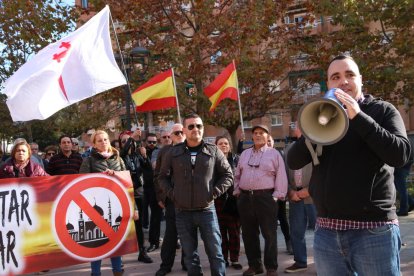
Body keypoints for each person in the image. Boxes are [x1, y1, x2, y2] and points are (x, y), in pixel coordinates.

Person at [287, 54, 411, 275]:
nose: (343, 81)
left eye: (349, 75)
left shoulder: (382, 110)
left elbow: (400, 154)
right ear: (328, 84)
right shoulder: (322, 116)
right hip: (327, 233)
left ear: (361, 80)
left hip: (373, 231)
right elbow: (294, 160)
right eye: (335, 77)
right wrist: (314, 128)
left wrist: (358, 116)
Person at [158, 113, 233, 276]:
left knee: (215, 253)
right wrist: (173, 194)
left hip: (207, 210)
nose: (195, 129)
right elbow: (162, 177)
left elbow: (228, 175)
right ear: (184, 130)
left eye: (198, 126)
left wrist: (213, 193)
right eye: (191, 126)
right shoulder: (174, 152)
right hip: (182, 212)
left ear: (203, 128)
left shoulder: (213, 150)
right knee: (190, 257)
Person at [234, 124, 288, 276]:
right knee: (249, 234)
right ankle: (255, 266)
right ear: (252, 136)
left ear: (267, 136)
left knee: (269, 234)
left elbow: (281, 176)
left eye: (261, 133)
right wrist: (237, 191)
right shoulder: (244, 154)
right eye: (255, 133)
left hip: (266, 198)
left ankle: (271, 268)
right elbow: (237, 174)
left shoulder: (274, 154)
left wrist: (276, 196)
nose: (258, 135)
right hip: (245, 198)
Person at [79, 130, 127, 276]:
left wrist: (117, 175)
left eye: (105, 139)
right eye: (99, 140)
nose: (103, 142)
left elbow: (127, 184)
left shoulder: (118, 159)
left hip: (116, 206)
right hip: (96, 209)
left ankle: (118, 271)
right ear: (94, 144)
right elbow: (81, 183)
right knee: (97, 243)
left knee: (116, 242)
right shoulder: (88, 160)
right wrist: (100, 177)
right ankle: (95, 273)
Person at [155, 123, 188, 276]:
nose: (179, 134)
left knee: (188, 234)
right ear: (172, 136)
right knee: (170, 235)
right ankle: (165, 265)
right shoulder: (165, 152)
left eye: (182, 132)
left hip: (190, 200)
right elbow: (158, 176)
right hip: (171, 200)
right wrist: (161, 196)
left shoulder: (192, 149)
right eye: (176, 133)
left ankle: (187, 263)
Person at [284, 124, 316, 273]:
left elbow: (323, 172)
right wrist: (290, 192)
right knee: (296, 232)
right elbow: (283, 174)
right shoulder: (289, 149)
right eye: (297, 126)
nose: (300, 129)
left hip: (314, 197)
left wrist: (308, 191)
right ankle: (300, 261)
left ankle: (324, 263)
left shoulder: (318, 146)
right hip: (295, 197)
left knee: (323, 232)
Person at [118, 129, 153, 264]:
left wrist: (144, 156)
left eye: (129, 141)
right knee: (124, 225)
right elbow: (124, 150)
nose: (127, 143)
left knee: (138, 225)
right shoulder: (120, 156)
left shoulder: (136, 156)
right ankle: (119, 254)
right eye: (124, 141)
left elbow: (148, 168)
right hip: (125, 194)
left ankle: (142, 252)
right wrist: (132, 137)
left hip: (138, 193)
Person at [214, 136, 242, 270]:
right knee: (220, 233)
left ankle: (235, 259)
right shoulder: (211, 161)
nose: (224, 145)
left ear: (230, 146)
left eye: (226, 143)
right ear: (215, 146)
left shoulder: (237, 160)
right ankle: (223, 258)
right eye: (220, 144)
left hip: (233, 200)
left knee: (235, 232)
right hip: (217, 200)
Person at [267, 136, 293, 256]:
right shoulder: (259, 155)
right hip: (265, 194)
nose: (268, 142)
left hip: (278, 192)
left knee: (282, 218)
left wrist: (284, 191)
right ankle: (272, 246)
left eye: (270, 140)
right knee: (269, 221)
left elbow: (284, 173)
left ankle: (289, 242)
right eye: (266, 140)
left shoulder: (279, 153)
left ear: (273, 142)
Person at [142, 133, 163, 252]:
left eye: (154, 142)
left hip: (157, 188)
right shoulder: (141, 151)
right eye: (150, 142)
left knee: (156, 216)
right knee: (144, 216)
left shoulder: (159, 152)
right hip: (145, 188)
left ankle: (155, 241)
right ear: (145, 142)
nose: (152, 144)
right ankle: (150, 241)